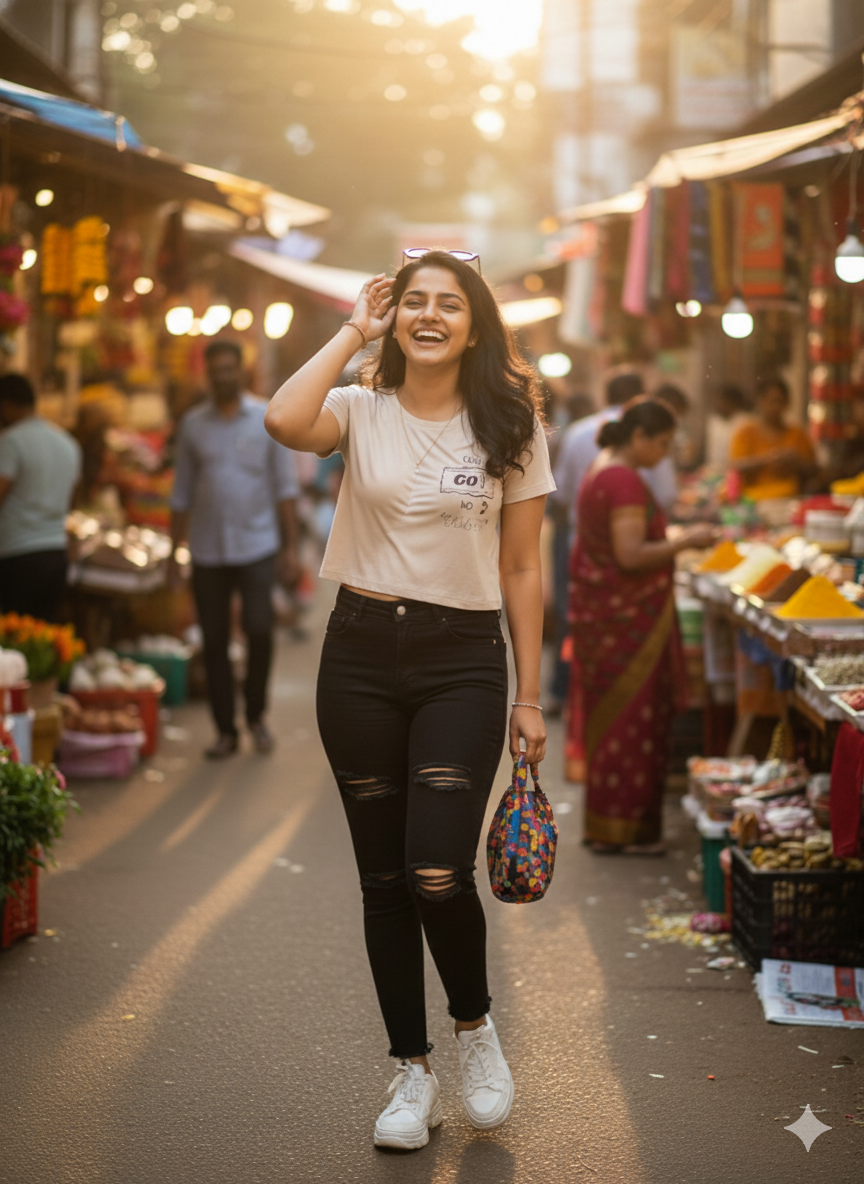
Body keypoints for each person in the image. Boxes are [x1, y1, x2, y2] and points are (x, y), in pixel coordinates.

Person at [264, 250, 555, 1151]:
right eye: (415, 303)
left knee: (437, 865)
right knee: (383, 878)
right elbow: (283, 418)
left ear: (477, 323)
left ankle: (473, 1030)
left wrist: (531, 696)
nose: (430, 316)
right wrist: (358, 326)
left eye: (449, 305)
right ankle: (410, 1074)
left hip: (462, 660)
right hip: (357, 655)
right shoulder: (359, 405)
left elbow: (520, 565)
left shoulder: (510, 422)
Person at [570, 399, 716, 854]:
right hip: (626, 622)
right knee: (634, 722)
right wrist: (686, 541)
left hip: (605, 620)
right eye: (663, 445)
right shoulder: (623, 480)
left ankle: (608, 826)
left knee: (616, 724)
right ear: (640, 438)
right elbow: (630, 555)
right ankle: (630, 830)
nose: (665, 455)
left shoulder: (604, 466)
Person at [170, 340, 300, 759]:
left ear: (241, 371)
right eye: (216, 371)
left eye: (230, 368)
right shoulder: (192, 425)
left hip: (258, 544)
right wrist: (176, 553)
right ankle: (225, 729)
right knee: (214, 641)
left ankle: (257, 718)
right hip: (207, 549)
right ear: (206, 375)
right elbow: (181, 493)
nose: (223, 376)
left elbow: (285, 488)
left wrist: (291, 547)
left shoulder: (266, 417)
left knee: (260, 629)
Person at [0, 373, 81, 621]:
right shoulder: (67, 443)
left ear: (6, 405)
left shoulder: (11, 442)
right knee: (41, 645)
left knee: (12, 647)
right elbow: (72, 502)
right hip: (56, 556)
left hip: (17, 556)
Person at [728, 377, 817, 499]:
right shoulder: (745, 432)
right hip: (753, 501)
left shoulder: (797, 434)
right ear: (759, 401)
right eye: (771, 401)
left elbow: (814, 469)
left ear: (787, 403)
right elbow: (734, 467)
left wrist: (796, 461)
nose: (776, 407)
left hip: (789, 498)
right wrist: (767, 459)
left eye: (780, 401)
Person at [705, 384, 751, 468]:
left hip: (737, 469)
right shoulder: (714, 422)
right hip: (714, 470)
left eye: (721, 401)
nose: (717, 404)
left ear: (731, 402)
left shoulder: (745, 422)